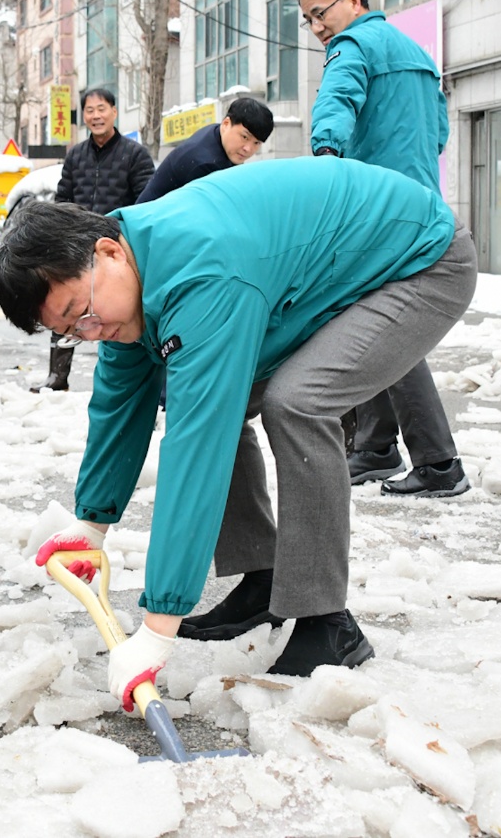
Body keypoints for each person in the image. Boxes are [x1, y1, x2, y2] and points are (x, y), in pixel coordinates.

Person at [0, 157, 476, 693]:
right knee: (206, 396)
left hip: (421, 260)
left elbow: (199, 449)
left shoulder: (201, 273)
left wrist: (158, 630)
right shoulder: (130, 271)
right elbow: (117, 406)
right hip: (332, 269)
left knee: (297, 402)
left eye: (81, 312)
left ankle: (326, 622)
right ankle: (264, 575)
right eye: (70, 332)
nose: (90, 331)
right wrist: (92, 523)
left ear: (106, 251)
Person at [291, 0, 468, 499]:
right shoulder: (416, 53)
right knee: (362, 319)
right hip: (418, 199)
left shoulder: (352, 47)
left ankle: (438, 462)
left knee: (380, 331)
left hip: (376, 211)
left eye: (320, 13)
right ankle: (374, 446)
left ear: (353, 1)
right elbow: (438, 132)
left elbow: (336, 102)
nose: (318, 27)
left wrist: (327, 156)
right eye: (308, 20)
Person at [129, 96, 277, 641]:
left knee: (219, 418)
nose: (249, 151)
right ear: (227, 125)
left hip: (190, 285)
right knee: (207, 420)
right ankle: (260, 573)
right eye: (245, 139)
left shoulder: (222, 161)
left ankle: (265, 573)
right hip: (169, 286)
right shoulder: (202, 166)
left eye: (257, 147)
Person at [34, 87, 155, 392]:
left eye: (102, 109)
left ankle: (129, 382)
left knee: (116, 311)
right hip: (75, 247)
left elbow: (147, 200)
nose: (96, 115)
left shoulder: (134, 154)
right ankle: (56, 376)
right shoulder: (76, 155)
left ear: (114, 112)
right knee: (65, 303)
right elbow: (63, 198)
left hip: (117, 247)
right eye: (89, 110)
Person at [134, 96, 274, 205]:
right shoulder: (204, 164)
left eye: (256, 143)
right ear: (226, 124)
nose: (248, 148)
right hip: (148, 227)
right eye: (244, 137)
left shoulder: (218, 134)